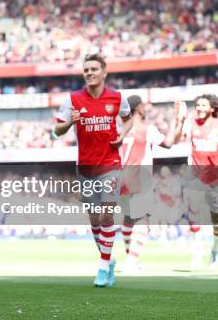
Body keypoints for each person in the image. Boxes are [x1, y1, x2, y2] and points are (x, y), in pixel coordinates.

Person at [54, 54, 132, 287]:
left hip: (110, 164)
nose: (89, 72)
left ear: (104, 73)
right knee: (95, 221)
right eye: (86, 69)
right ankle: (109, 260)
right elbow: (57, 130)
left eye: (94, 69)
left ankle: (101, 267)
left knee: (107, 215)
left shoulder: (118, 98)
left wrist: (122, 135)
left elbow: (128, 120)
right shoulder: (73, 100)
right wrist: (70, 123)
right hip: (85, 167)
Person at [174, 94, 218, 269]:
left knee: (215, 219)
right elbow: (177, 139)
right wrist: (179, 120)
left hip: (216, 178)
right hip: (195, 177)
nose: (199, 108)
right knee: (195, 215)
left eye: (203, 105)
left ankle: (215, 249)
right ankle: (197, 254)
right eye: (197, 105)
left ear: (212, 108)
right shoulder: (190, 122)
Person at [118, 96, 180, 274]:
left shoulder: (120, 130)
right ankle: (130, 262)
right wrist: (176, 119)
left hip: (121, 178)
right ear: (138, 109)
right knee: (144, 221)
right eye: (144, 106)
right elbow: (168, 143)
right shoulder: (146, 129)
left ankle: (131, 259)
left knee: (129, 220)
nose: (146, 109)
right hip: (140, 177)